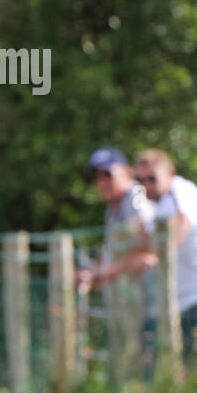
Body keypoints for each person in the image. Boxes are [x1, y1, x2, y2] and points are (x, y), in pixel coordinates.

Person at [76, 147, 158, 376]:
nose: (102, 182)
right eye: (97, 177)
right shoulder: (113, 209)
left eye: (107, 175)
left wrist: (107, 273)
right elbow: (112, 251)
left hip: (146, 302)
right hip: (128, 302)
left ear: (126, 172)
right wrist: (93, 272)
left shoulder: (137, 195)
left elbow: (149, 245)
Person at [134, 149, 197, 365]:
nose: (146, 185)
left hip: (196, 294)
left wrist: (157, 255)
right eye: (141, 180)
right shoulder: (154, 204)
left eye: (152, 178)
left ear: (170, 174)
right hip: (175, 299)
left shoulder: (180, 189)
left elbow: (182, 225)